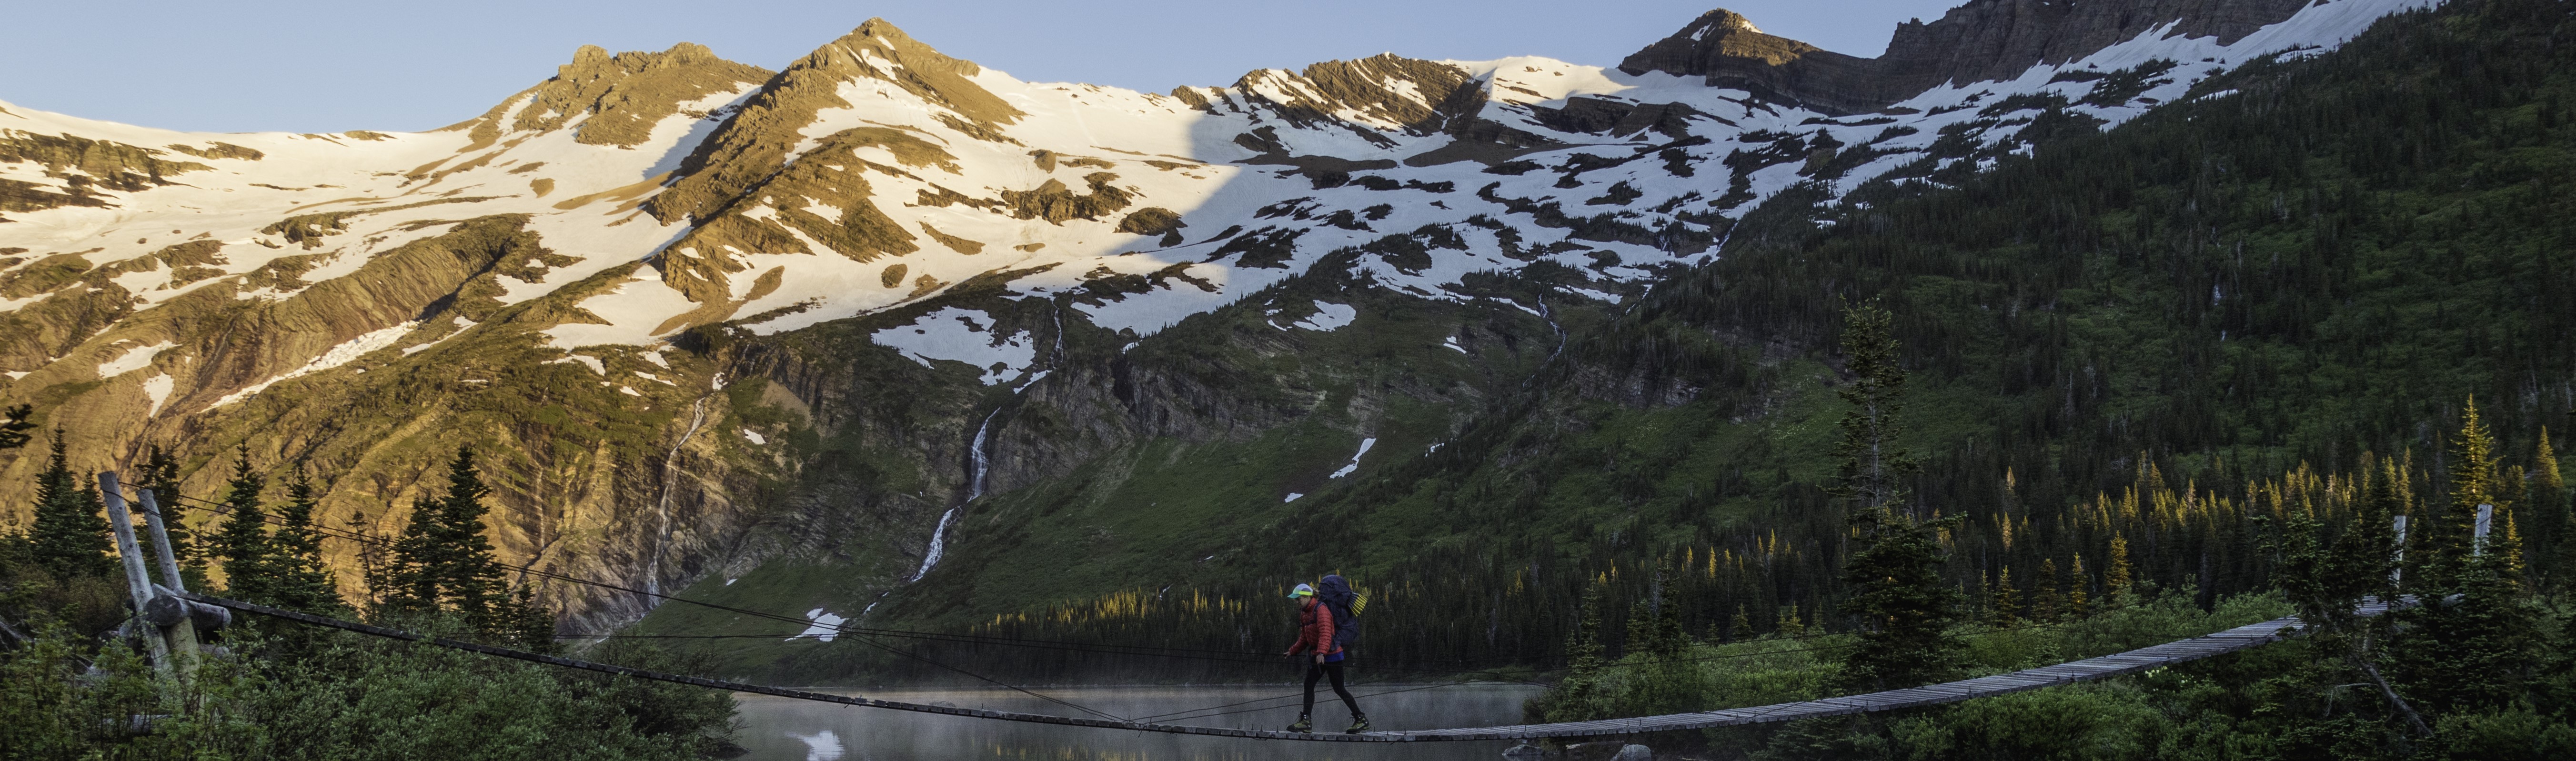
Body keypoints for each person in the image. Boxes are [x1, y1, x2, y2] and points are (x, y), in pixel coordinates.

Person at [1284, 582, 1367, 733]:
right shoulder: (1304, 614)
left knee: (1340, 689)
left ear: (1307, 597)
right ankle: (1306, 722)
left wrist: (1322, 653)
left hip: (1333, 656)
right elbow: (1305, 637)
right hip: (1319, 657)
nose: (1296, 602)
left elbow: (1326, 634)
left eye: (1298, 599)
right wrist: (1293, 651)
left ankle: (1361, 719)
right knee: (1309, 684)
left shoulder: (1321, 610)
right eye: (1296, 599)